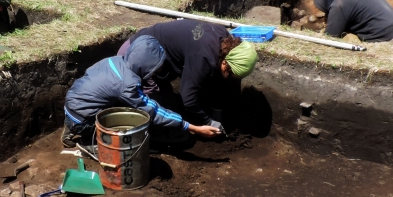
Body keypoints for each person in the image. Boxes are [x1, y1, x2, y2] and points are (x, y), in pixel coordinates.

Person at [63, 36, 223, 148]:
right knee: (131, 133)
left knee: (124, 106)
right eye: (156, 67)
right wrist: (190, 127)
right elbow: (153, 112)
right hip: (83, 120)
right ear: (147, 65)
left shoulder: (114, 61)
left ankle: (73, 125)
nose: (156, 72)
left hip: (73, 106)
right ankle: (90, 145)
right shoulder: (127, 84)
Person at [122, 19, 258, 131]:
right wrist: (208, 121)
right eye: (231, 74)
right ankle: (153, 140)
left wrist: (219, 110)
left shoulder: (225, 42)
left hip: (161, 62)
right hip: (136, 54)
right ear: (225, 64)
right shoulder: (203, 58)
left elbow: (229, 84)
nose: (231, 78)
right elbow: (187, 99)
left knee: (172, 107)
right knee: (159, 113)